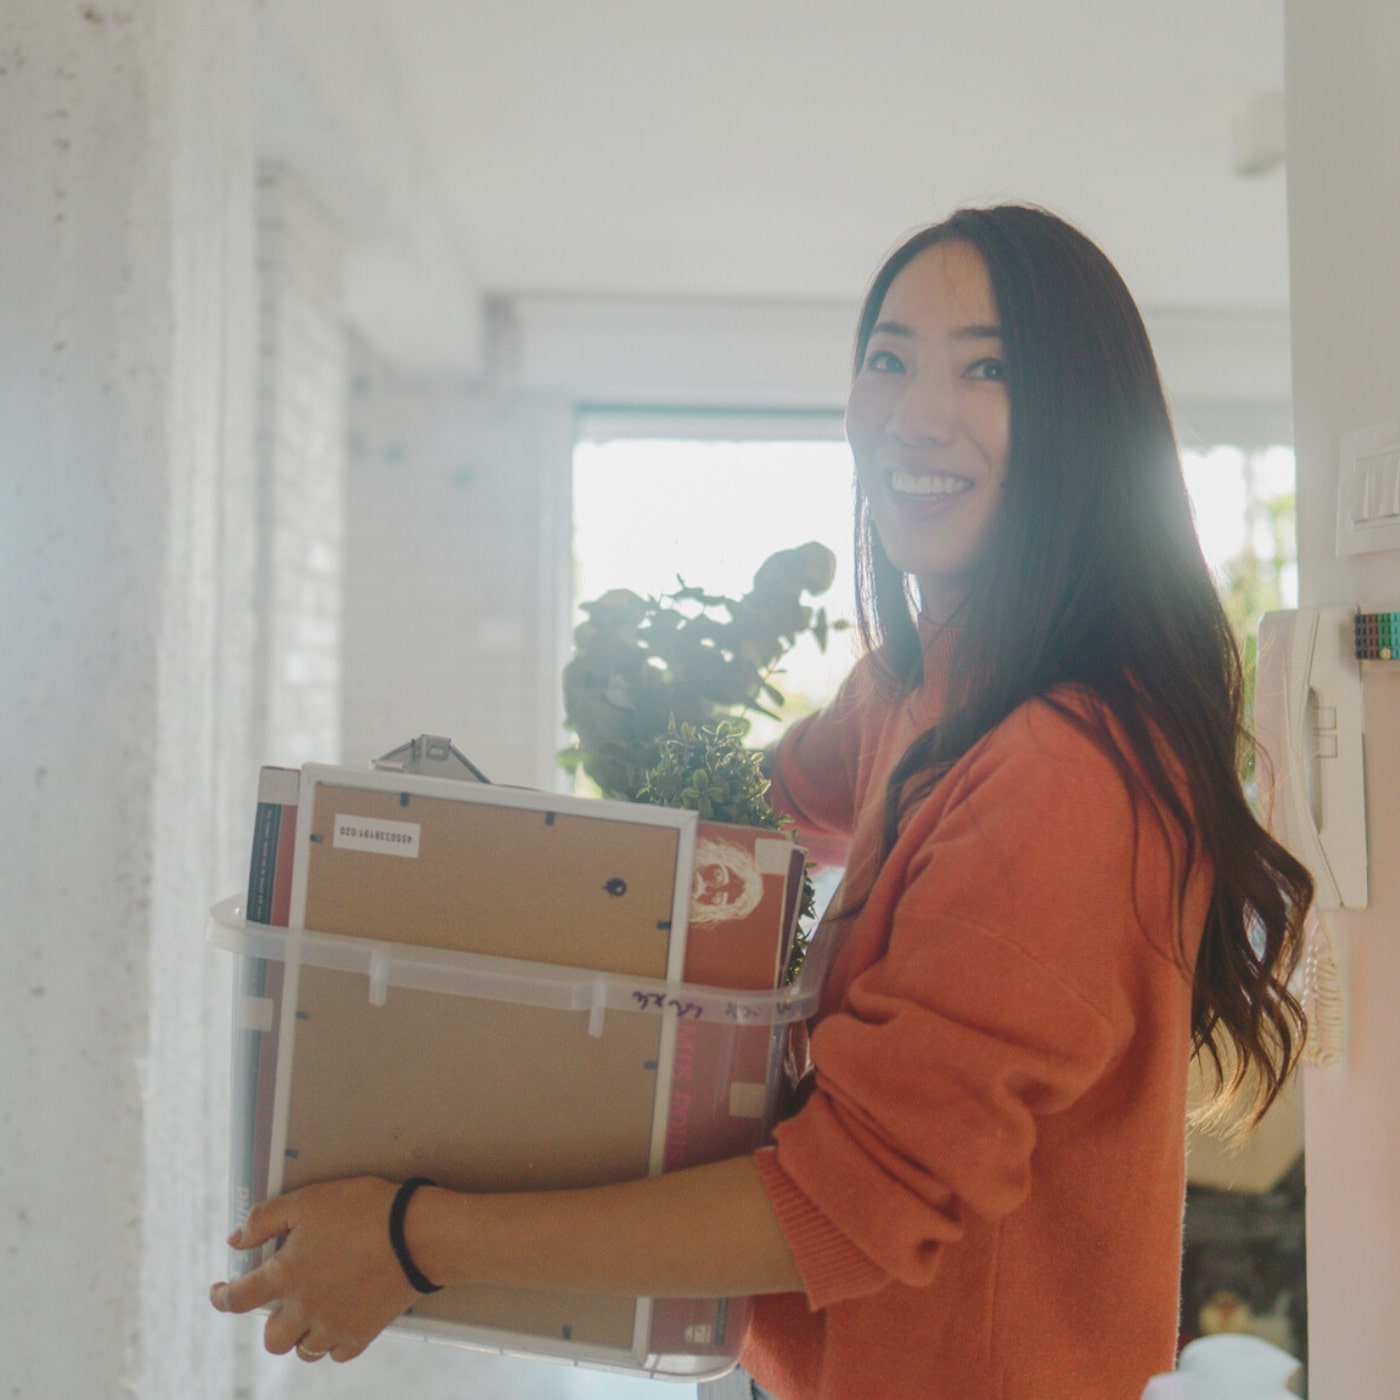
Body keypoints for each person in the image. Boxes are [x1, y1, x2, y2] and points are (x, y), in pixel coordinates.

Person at [209, 205, 1313, 1398]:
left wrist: (416, 1239)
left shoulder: (1064, 766)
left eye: (985, 367)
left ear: (1083, 422)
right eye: (886, 359)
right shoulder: (925, 675)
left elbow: (843, 1202)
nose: (913, 411)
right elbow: (752, 816)